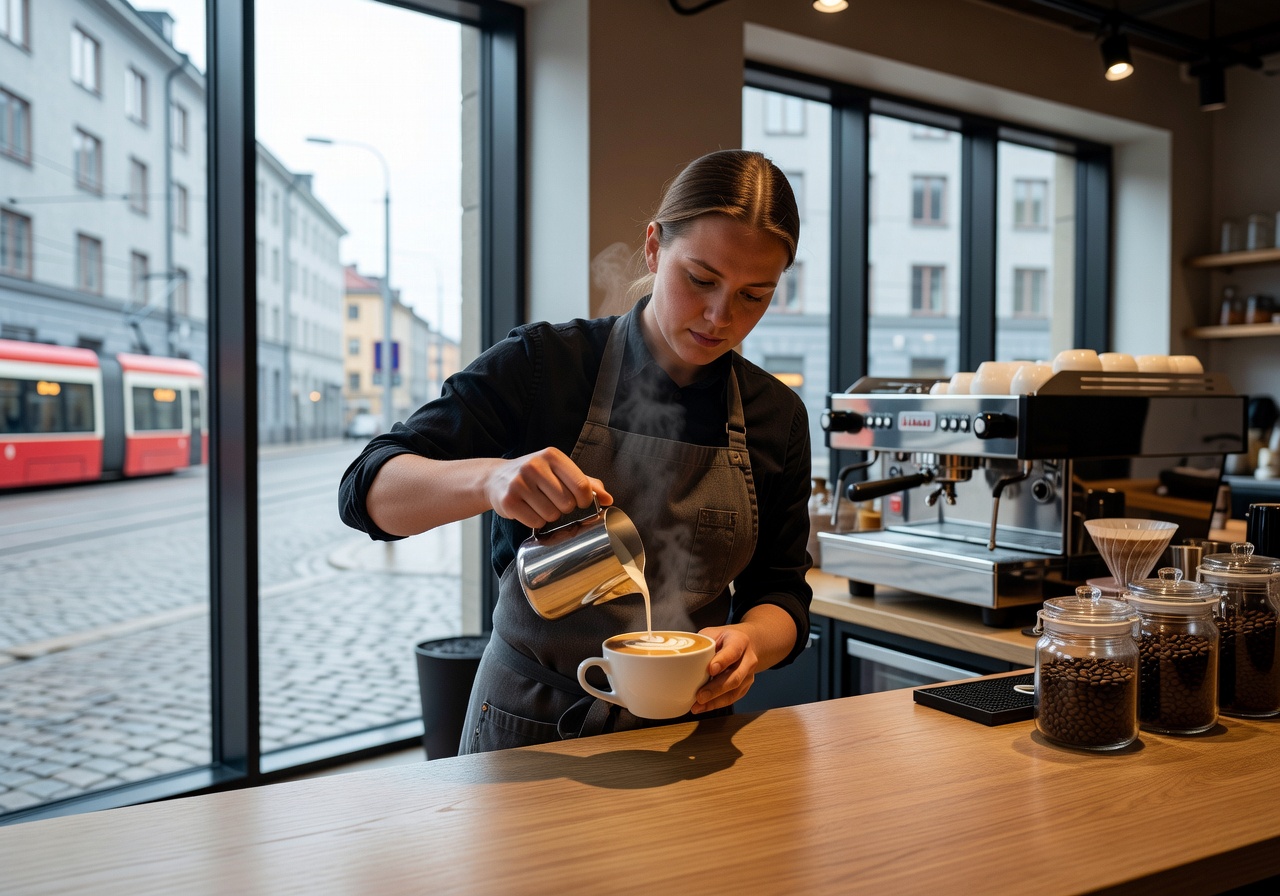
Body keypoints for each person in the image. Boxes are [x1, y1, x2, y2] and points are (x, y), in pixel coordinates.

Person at [339, 149, 813, 754]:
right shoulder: (545, 366)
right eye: (700, 279)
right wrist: (491, 480)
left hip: (687, 736)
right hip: (526, 727)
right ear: (652, 247)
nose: (721, 316)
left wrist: (752, 642)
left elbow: (783, 593)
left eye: (755, 295)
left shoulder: (776, 415)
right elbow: (365, 492)